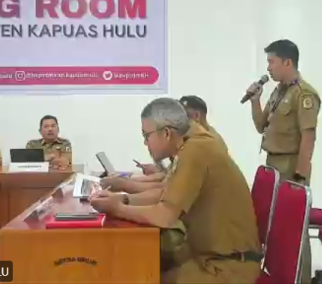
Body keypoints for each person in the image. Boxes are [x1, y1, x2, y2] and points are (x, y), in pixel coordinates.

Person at [90, 98, 262, 283]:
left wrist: (117, 208)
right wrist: (123, 199)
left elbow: (164, 216)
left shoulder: (196, 150)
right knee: (139, 265)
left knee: (140, 275)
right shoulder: (190, 144)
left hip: (226, 266)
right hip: (205, 254)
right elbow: (164, 191)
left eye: (146, 136)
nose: (145, 143)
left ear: (166, 133)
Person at [247, 39, 319, 284]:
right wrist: (255, 100)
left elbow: (308, 138)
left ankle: (303, 279)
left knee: (295, 227)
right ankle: (280, 275)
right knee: (276, 227)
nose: (268, 68)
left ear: (287, 62)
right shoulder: (279, 91)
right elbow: (261, 126)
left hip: (290, 167)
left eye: (272, 62)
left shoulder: (304, 94)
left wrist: (300, 176)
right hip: (273, 165)